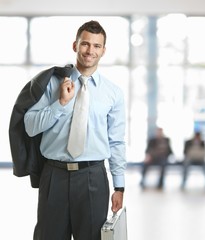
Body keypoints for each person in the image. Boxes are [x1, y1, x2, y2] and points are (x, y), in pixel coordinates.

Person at [20, 20, 126, 240]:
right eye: (85, 44)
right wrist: (59, 103)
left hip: (93, 177)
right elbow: (29, 126)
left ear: (103, 51)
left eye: (97, 46)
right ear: (75, 46)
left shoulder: (113, 93)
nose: (90, 51)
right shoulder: (50, 84)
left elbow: (116, 141)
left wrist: (119, 185)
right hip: (53, 176)